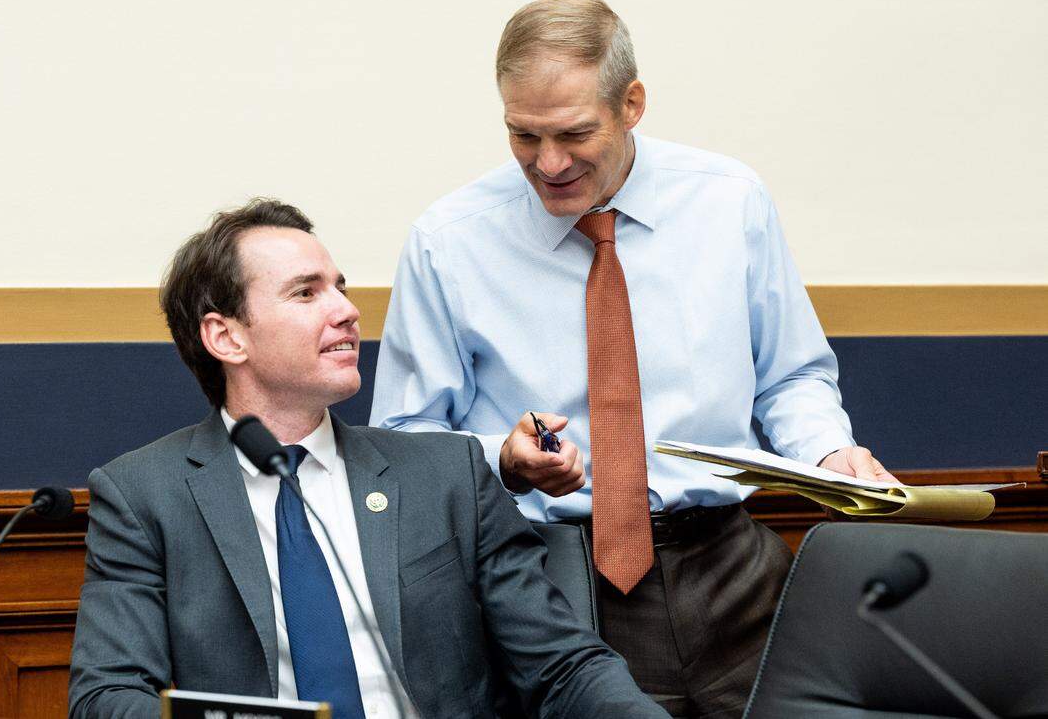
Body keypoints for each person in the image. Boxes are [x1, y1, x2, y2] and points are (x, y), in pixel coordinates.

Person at [370, 0, 898, 717]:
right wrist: (502, 458)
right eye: (522, 136)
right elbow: (401, 442)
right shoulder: (450, 241)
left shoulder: (729, 202)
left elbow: (791, 377)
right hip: (551, 582)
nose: (547, 163)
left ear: (632, 104)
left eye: (573, 133)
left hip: (734, 571)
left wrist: (828, 452)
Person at [67, 198, 666, 719]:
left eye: (341, 287)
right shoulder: (146, 495)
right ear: (227, 337)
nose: (347, 310)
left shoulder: (445, 474)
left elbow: (563, 667)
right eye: (306, 292)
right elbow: (108, 696)